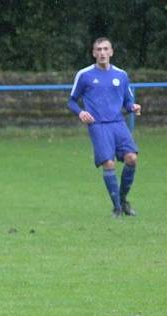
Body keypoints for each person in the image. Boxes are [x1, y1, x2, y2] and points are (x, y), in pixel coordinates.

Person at [68, 37, 142, 217]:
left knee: (132, 158)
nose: (102, 53)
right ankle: (117, 208)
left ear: (111, 52)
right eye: (98, 49)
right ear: (93, 53)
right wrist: (80, 112)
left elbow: (128, 100)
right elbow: (71, 101)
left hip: (118, 123)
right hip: (98, 125)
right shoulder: (84, 75)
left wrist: (133, 106)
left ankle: (122, 201)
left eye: (105, 49)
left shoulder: (121, 75)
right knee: (108, 163)